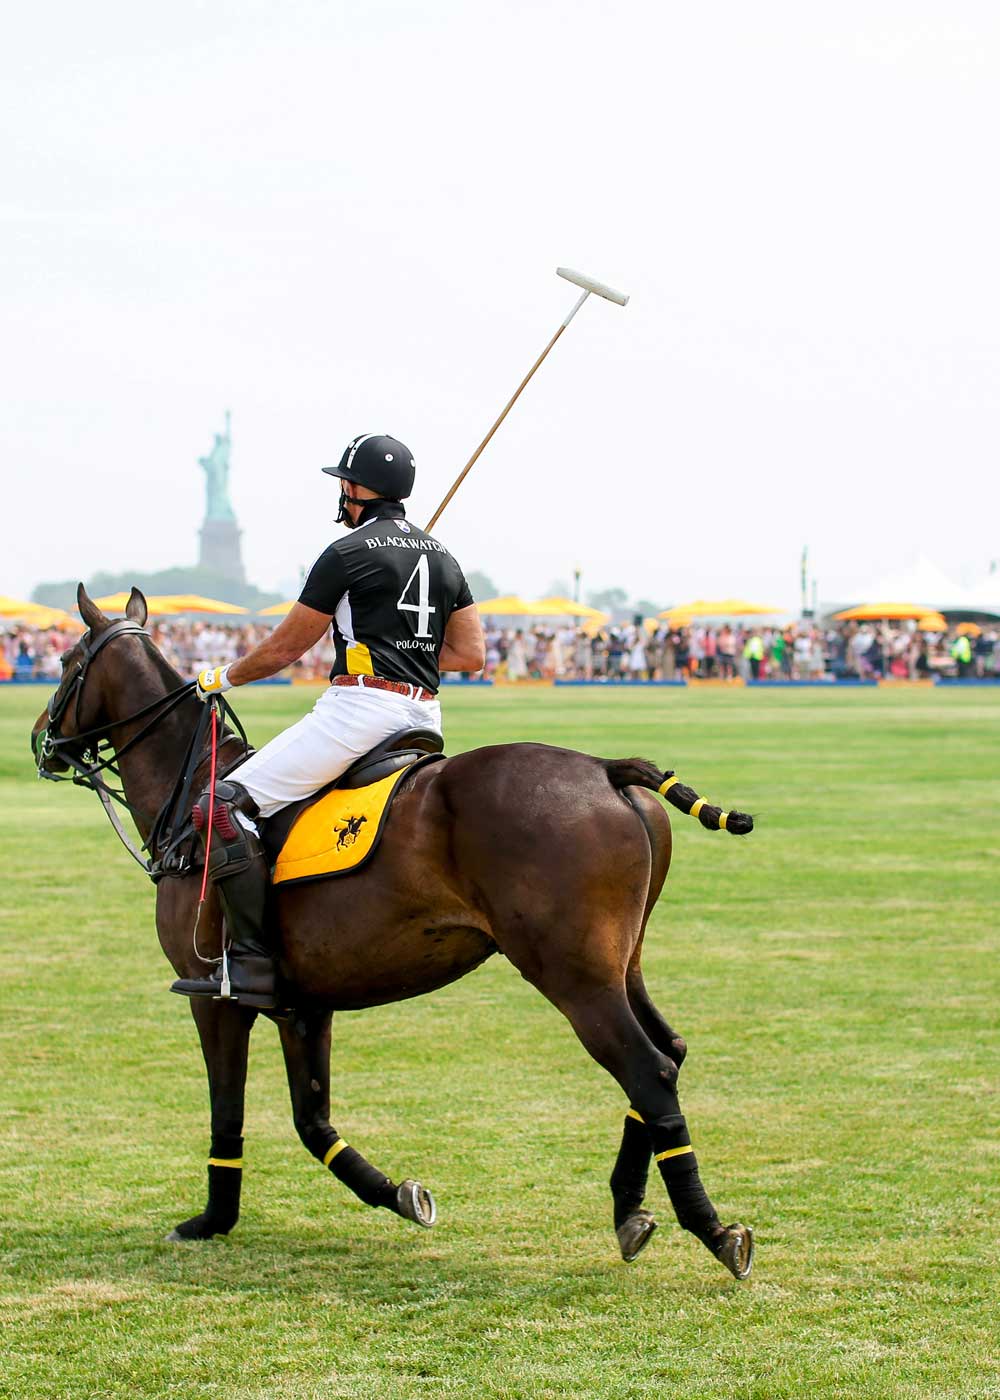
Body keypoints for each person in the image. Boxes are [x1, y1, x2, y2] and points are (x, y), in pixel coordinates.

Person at [172, 434, 485, 1009]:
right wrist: (402, 650)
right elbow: (470, 656)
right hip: (423, 716)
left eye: (344, 482)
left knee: (218, 804)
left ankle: (250, 962)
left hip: (360, 713)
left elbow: (282, 650)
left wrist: (219, 678)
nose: (340, 493)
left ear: (358, 489)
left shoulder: (346, 553)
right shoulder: (443, 556)